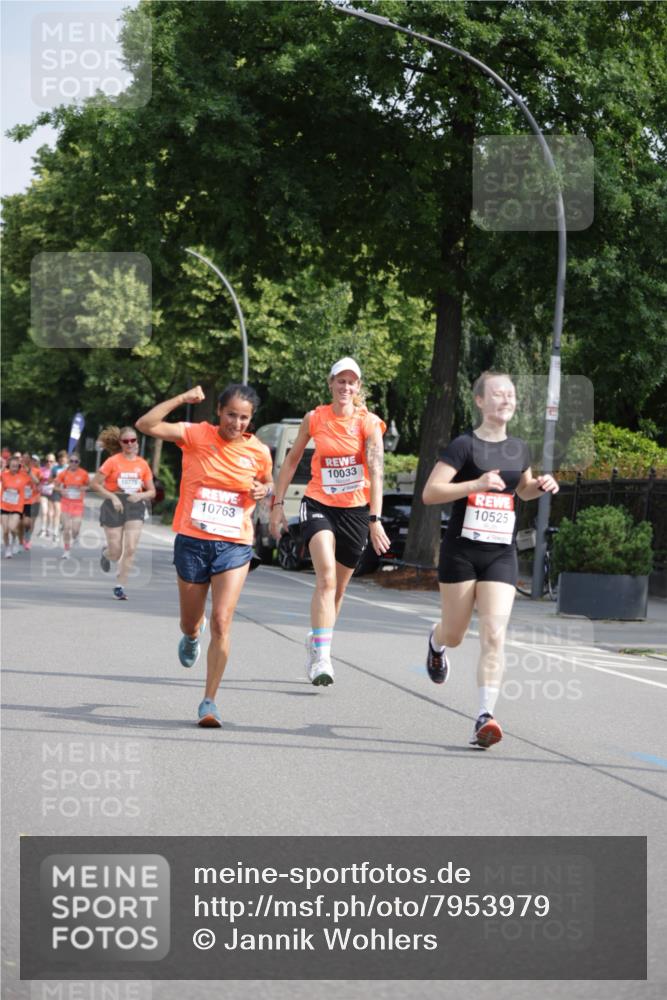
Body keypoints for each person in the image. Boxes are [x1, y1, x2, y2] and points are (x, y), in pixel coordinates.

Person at [422, 371, 559, 749]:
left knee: (494, 633)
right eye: (497, 394)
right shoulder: (463, 446)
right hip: (462, 551)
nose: (506, 400)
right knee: (455, 633)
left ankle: (484, 716)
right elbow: (431, 493)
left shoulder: (519, 448)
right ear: (480, 401)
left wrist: (540, 485)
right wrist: (475, 484)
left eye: (510, 394)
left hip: (501, 552)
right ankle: (436, 641)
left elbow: (522, 490)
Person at [136, 383, 273, 728]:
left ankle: (209, 701)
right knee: (191, 621)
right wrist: (183, 398)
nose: (236, 423)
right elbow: (145, 425)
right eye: (231, 415)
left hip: (235, 544)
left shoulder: (258, 451)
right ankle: (191, 636)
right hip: (193, 542)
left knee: (222, 621)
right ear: (219, 412)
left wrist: (265, 488)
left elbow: (268, 481)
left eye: (244, 418)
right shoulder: (196, 434)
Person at [269, 357, 390, 687]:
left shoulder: (369, 424)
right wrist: (277, 504)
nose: (345, 387)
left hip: (355, 510)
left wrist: (375, 519)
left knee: (338, 589)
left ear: (358, 387)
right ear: (331, 383)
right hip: (318, 503)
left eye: (351, 382)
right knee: (325, 578)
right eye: (340, 381)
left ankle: (318, 640)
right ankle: (322, 658)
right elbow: (292, 461)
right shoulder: (315, 418)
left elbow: (376, 472)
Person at [90, 427, 156, 600]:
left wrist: (140, 495)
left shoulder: (142, 464)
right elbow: (94, 484)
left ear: (137, 442)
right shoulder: (112, 461)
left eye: (133, 440)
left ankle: (119, 586)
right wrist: (112, 497)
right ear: (120, 443)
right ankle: (106, 553)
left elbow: (152, 491)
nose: (130, 444)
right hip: (114, 504)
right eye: (126, 441)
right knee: (116, 552)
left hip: (135, 505)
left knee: (131, 548)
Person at [54, 453, 90, 559]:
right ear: (69, 462)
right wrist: (61, 490)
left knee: (75, 530)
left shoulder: (84, 473)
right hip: (66, 503)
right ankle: (66, 550)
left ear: (79, 462)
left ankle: (76, 536)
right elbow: (55, 486)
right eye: (72, 461)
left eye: (76, 461)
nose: (74, 463)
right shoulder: (63, 473)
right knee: (66, 528)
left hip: (78, 504)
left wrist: (83, 488)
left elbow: (90, 486)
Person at [2, 455, 30, 558]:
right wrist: (3, 467)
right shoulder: (4, 475)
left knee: (12, 528)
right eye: (12, 466)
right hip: (4, 506)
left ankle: (14, 539)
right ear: (9, 466)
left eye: (16, 466)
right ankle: (7, 548)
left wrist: (28, 470)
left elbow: (36, 481)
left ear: (19, 466)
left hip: (16, 507)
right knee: (5, 530)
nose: (14, 468)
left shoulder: (23, 476)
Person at [37, 453, 58, 539]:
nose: (49, 463)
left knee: (50, 513)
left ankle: (48, 529)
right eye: (47, 461)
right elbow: (37, 480)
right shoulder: (41, 469)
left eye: (51, 461)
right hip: (43, 493)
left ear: (54, 462)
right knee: (44, 511)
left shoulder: (57, 470)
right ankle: (43, 529)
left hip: (53, 493)